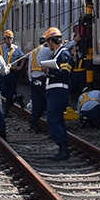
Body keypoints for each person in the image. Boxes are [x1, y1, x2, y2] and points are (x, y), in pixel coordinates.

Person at [33, 27, 74, 160]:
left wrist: (48, 71)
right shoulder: (58, 54)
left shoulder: (64, 54)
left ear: (51, 41)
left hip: (58, 91)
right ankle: (63, 147)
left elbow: (65, 74)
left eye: (47, 42)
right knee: (57, 120)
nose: (46, 45)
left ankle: (63, 148)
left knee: (53, 120)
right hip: (54, 90)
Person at [0, 30, 24, 113]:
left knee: (12, 90)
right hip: (3, 72)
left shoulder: (16, 49)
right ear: (4, 39)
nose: (9, 40)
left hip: (13, 72)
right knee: (3, 89)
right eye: (7, 38)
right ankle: (16, 98)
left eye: (11, 38)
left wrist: (20, 67)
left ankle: (6, 111)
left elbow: (23, 57)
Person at [28, 34, 48, 132]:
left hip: (34, 78)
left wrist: (30, 80)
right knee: (46, 102)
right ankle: (51, 124)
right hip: (42, 78)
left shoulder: (33, 52)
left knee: (36, 103)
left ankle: (34, 122)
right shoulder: (47, 50)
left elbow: (29, 67)